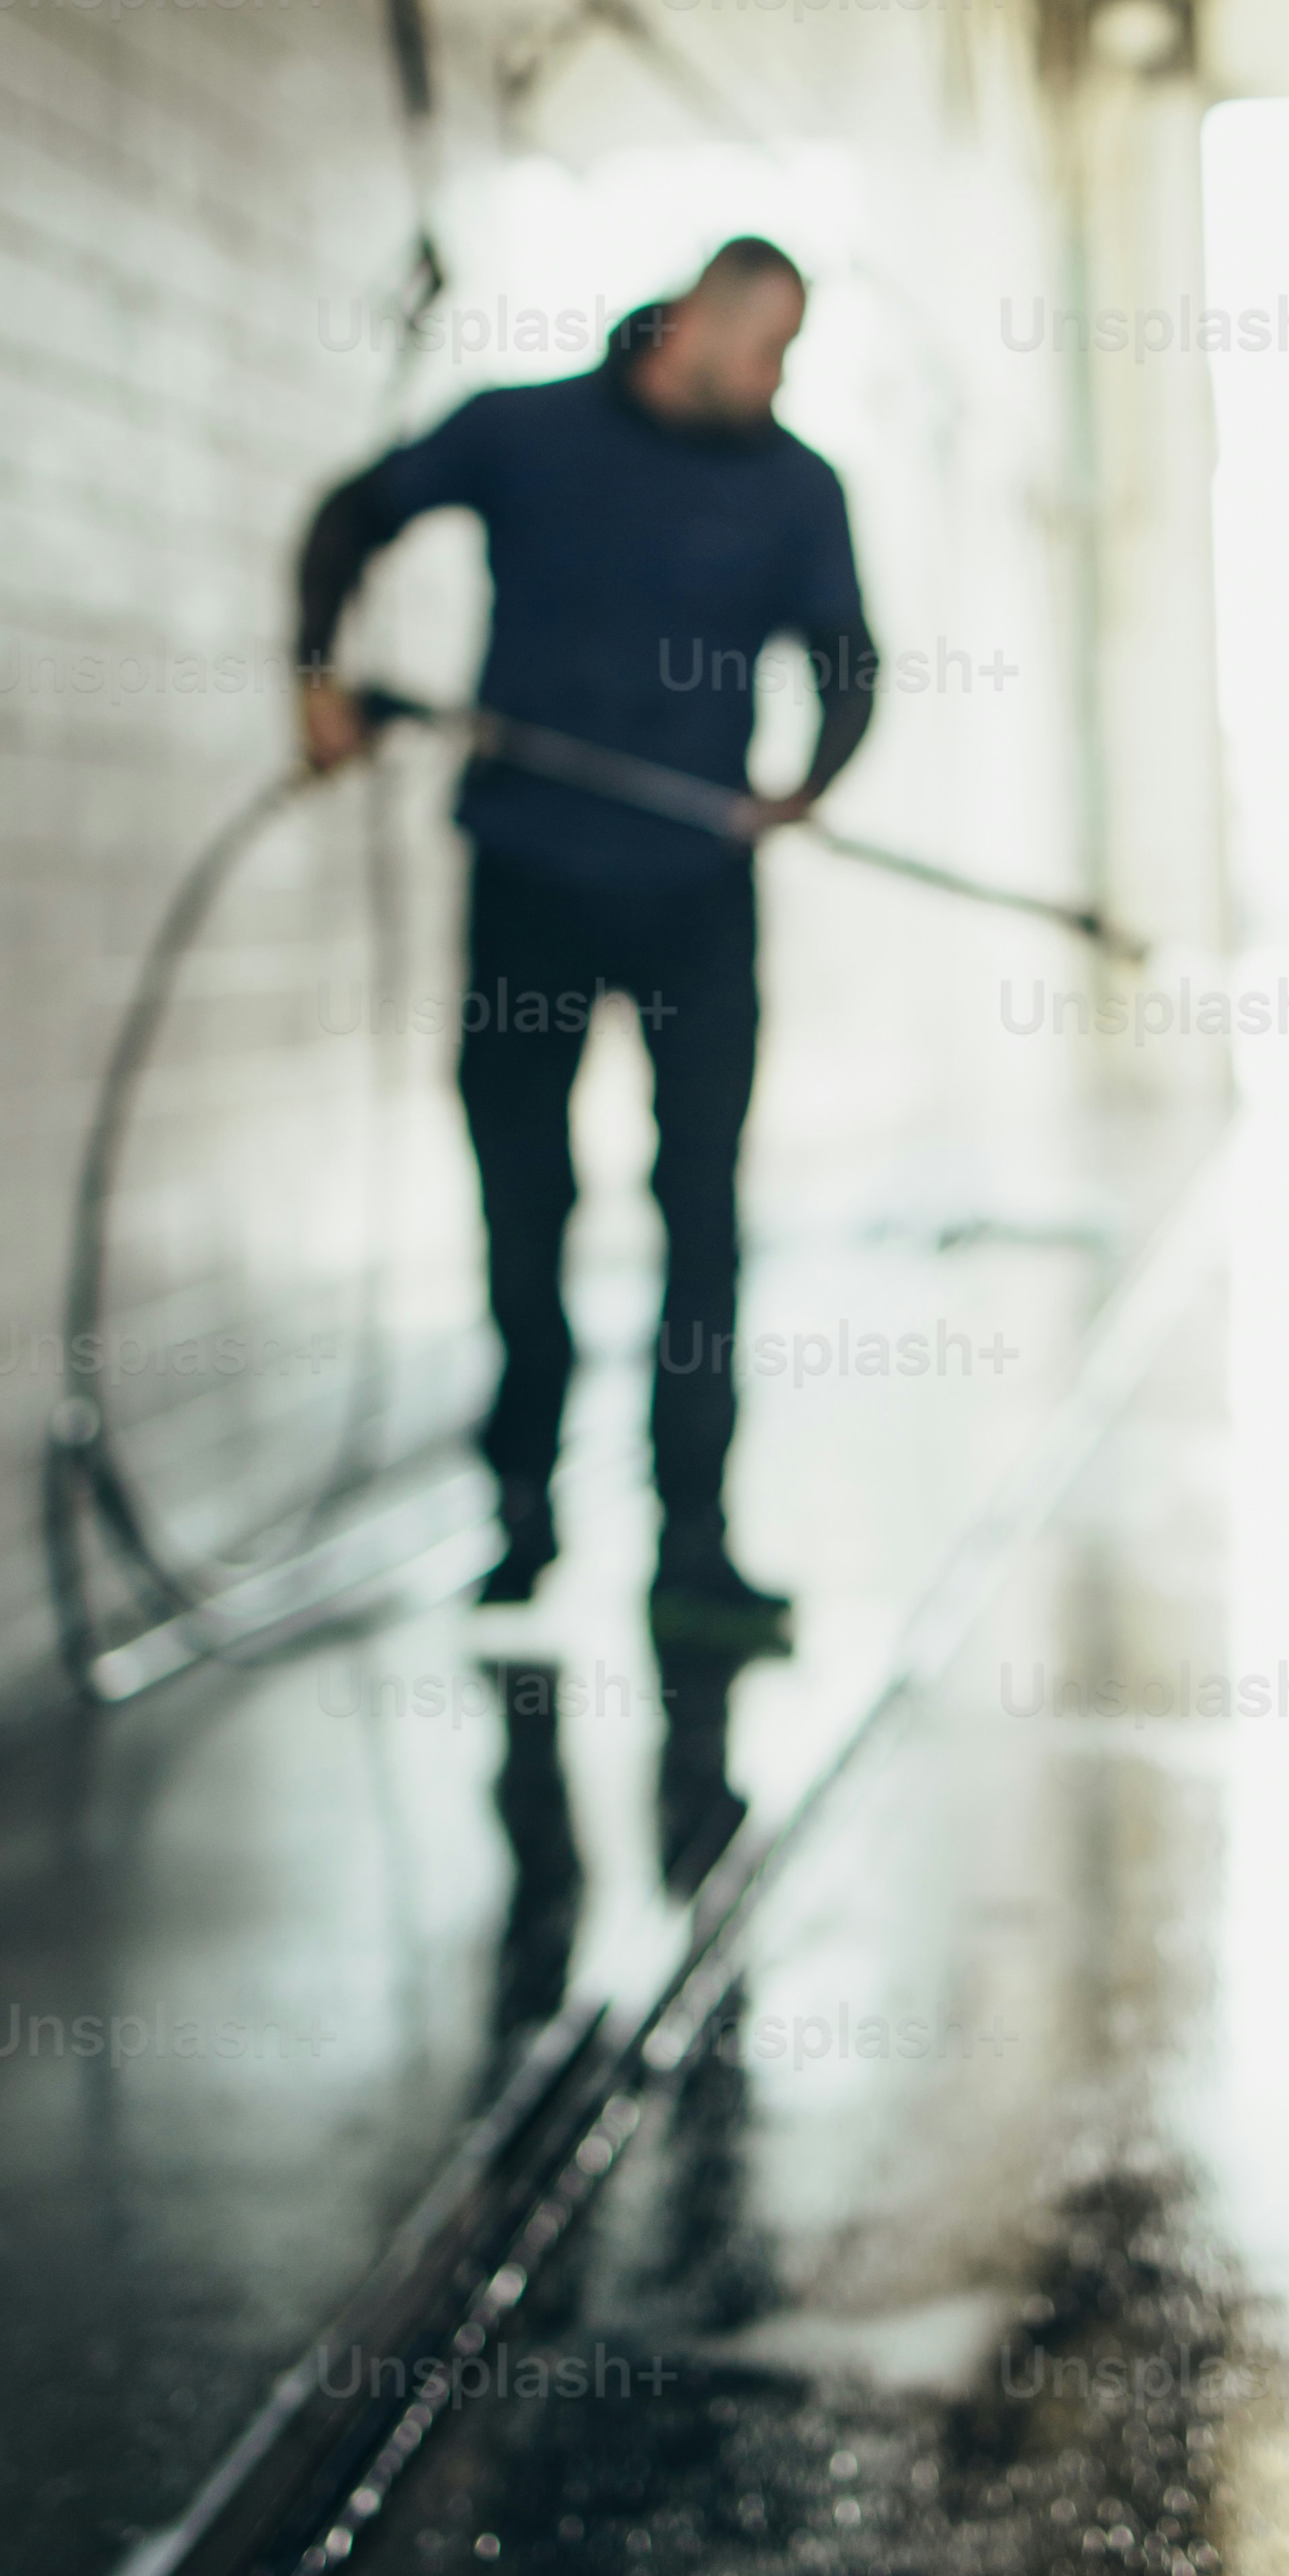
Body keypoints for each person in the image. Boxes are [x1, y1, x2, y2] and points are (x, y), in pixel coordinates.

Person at [293, 240, 874, 1655]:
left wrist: (804, 784)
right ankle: (520, 1518)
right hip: (531, 878)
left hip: (694, 896)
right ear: (691, 328)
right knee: (523, 1201)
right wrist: (315, 673)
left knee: (699, 1217)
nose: (777, 381)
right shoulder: (521, 432)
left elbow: (849, 662)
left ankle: (694, 1542)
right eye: (766, 352)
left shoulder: (795, 487)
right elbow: (348, 515)